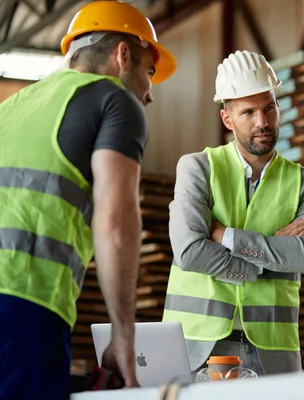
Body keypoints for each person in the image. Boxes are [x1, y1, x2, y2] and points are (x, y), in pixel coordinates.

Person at [0, 1, 177, 398]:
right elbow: (114, 224)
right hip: (23, 302)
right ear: (123, 55)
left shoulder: (12, 107)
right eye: (149, 73)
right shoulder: (114, 100)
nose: (149, 92)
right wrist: (123, 336)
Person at [162, 50, 304, 377]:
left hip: (273, 352)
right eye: (248, 112)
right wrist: (266, 264)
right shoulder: (197, 168)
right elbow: (190, 252)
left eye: (268, 108)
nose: (262, 122)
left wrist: (224, 235)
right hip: (196, 347)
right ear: (227, 119)